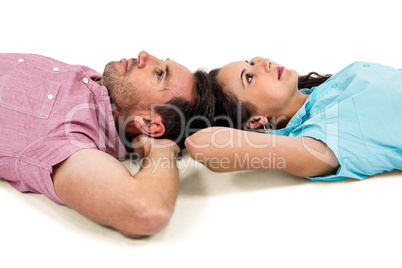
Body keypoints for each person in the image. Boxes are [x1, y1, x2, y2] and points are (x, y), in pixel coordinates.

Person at [0, 51, 214, 237]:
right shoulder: (104, 86)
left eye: (159, 74)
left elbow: (146, 212)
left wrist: (161, 149)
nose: (144, 54)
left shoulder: (72, 139)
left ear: (149, 123)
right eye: (161, 61)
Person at [185, 56, 402, 181]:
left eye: (250, 61)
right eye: (249, 77)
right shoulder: (316, 137)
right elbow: (201, 143)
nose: (263, 63)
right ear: (255, 121)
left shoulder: (321, 92)